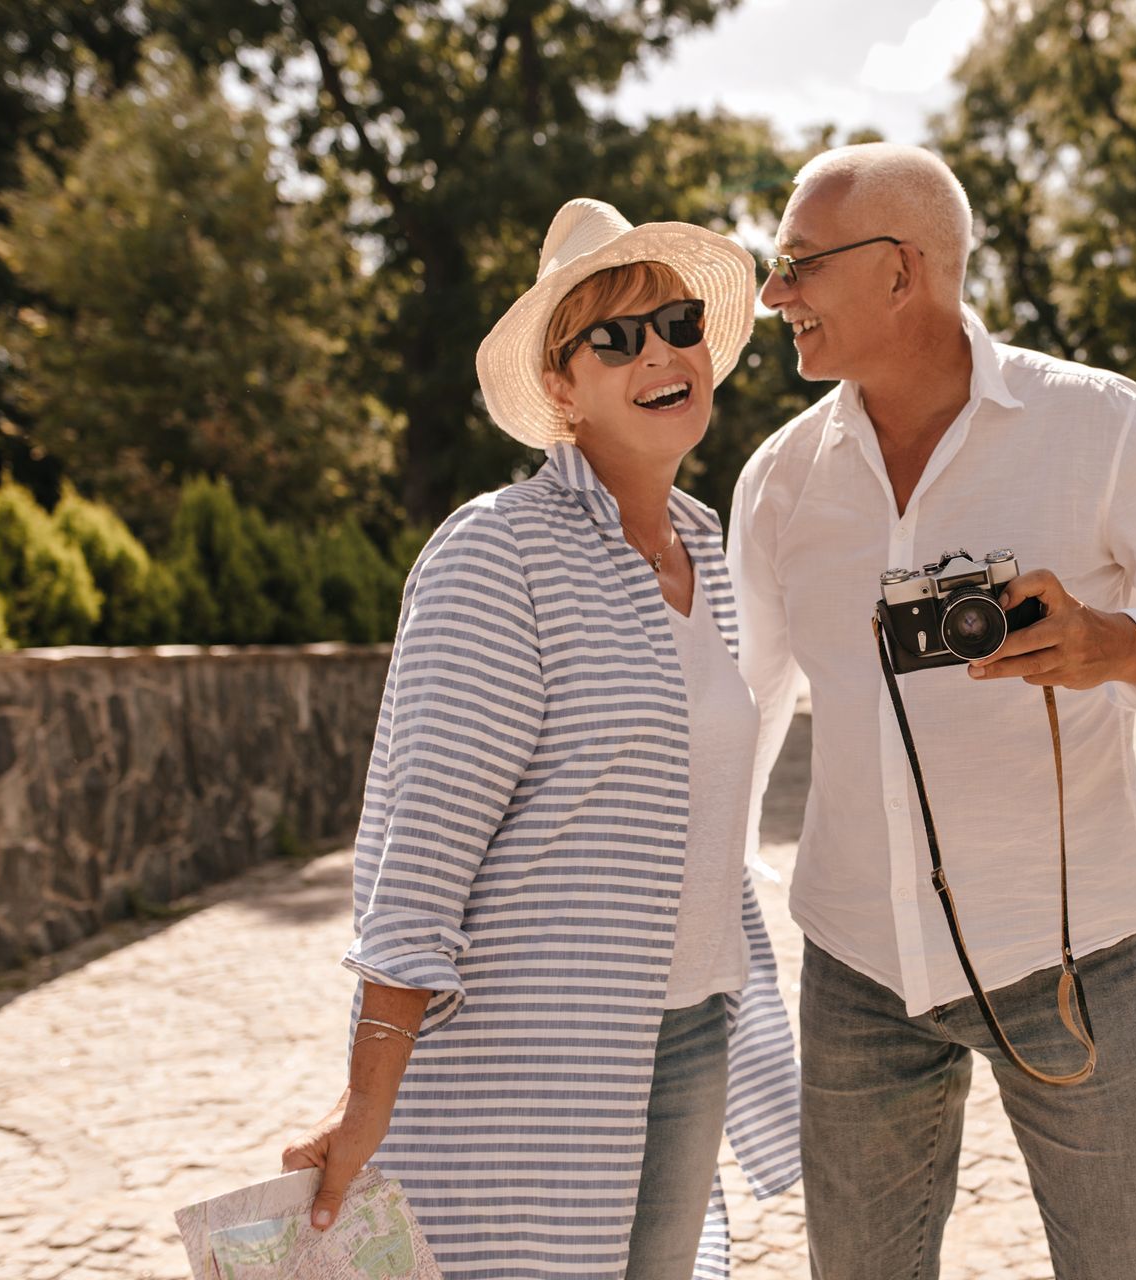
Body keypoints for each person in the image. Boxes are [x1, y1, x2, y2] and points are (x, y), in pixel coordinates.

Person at [729, 144, 1136, 1279]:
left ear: (900, 272)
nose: (773, 294)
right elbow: (741, 707)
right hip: (856, 971)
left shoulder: (1100, 426)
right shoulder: (778, 480)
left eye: (797, 265)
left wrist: (1112, 643)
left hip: (1067, 956)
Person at [280, 198, 800, 1280]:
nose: (659, 351)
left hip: (692, 1027)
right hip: (538, 1056)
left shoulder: (711, 549)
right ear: (562, 389)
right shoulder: (497, 556)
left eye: (676, 321)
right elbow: (416, 860)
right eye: (614, 337)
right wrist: (364, 1099)